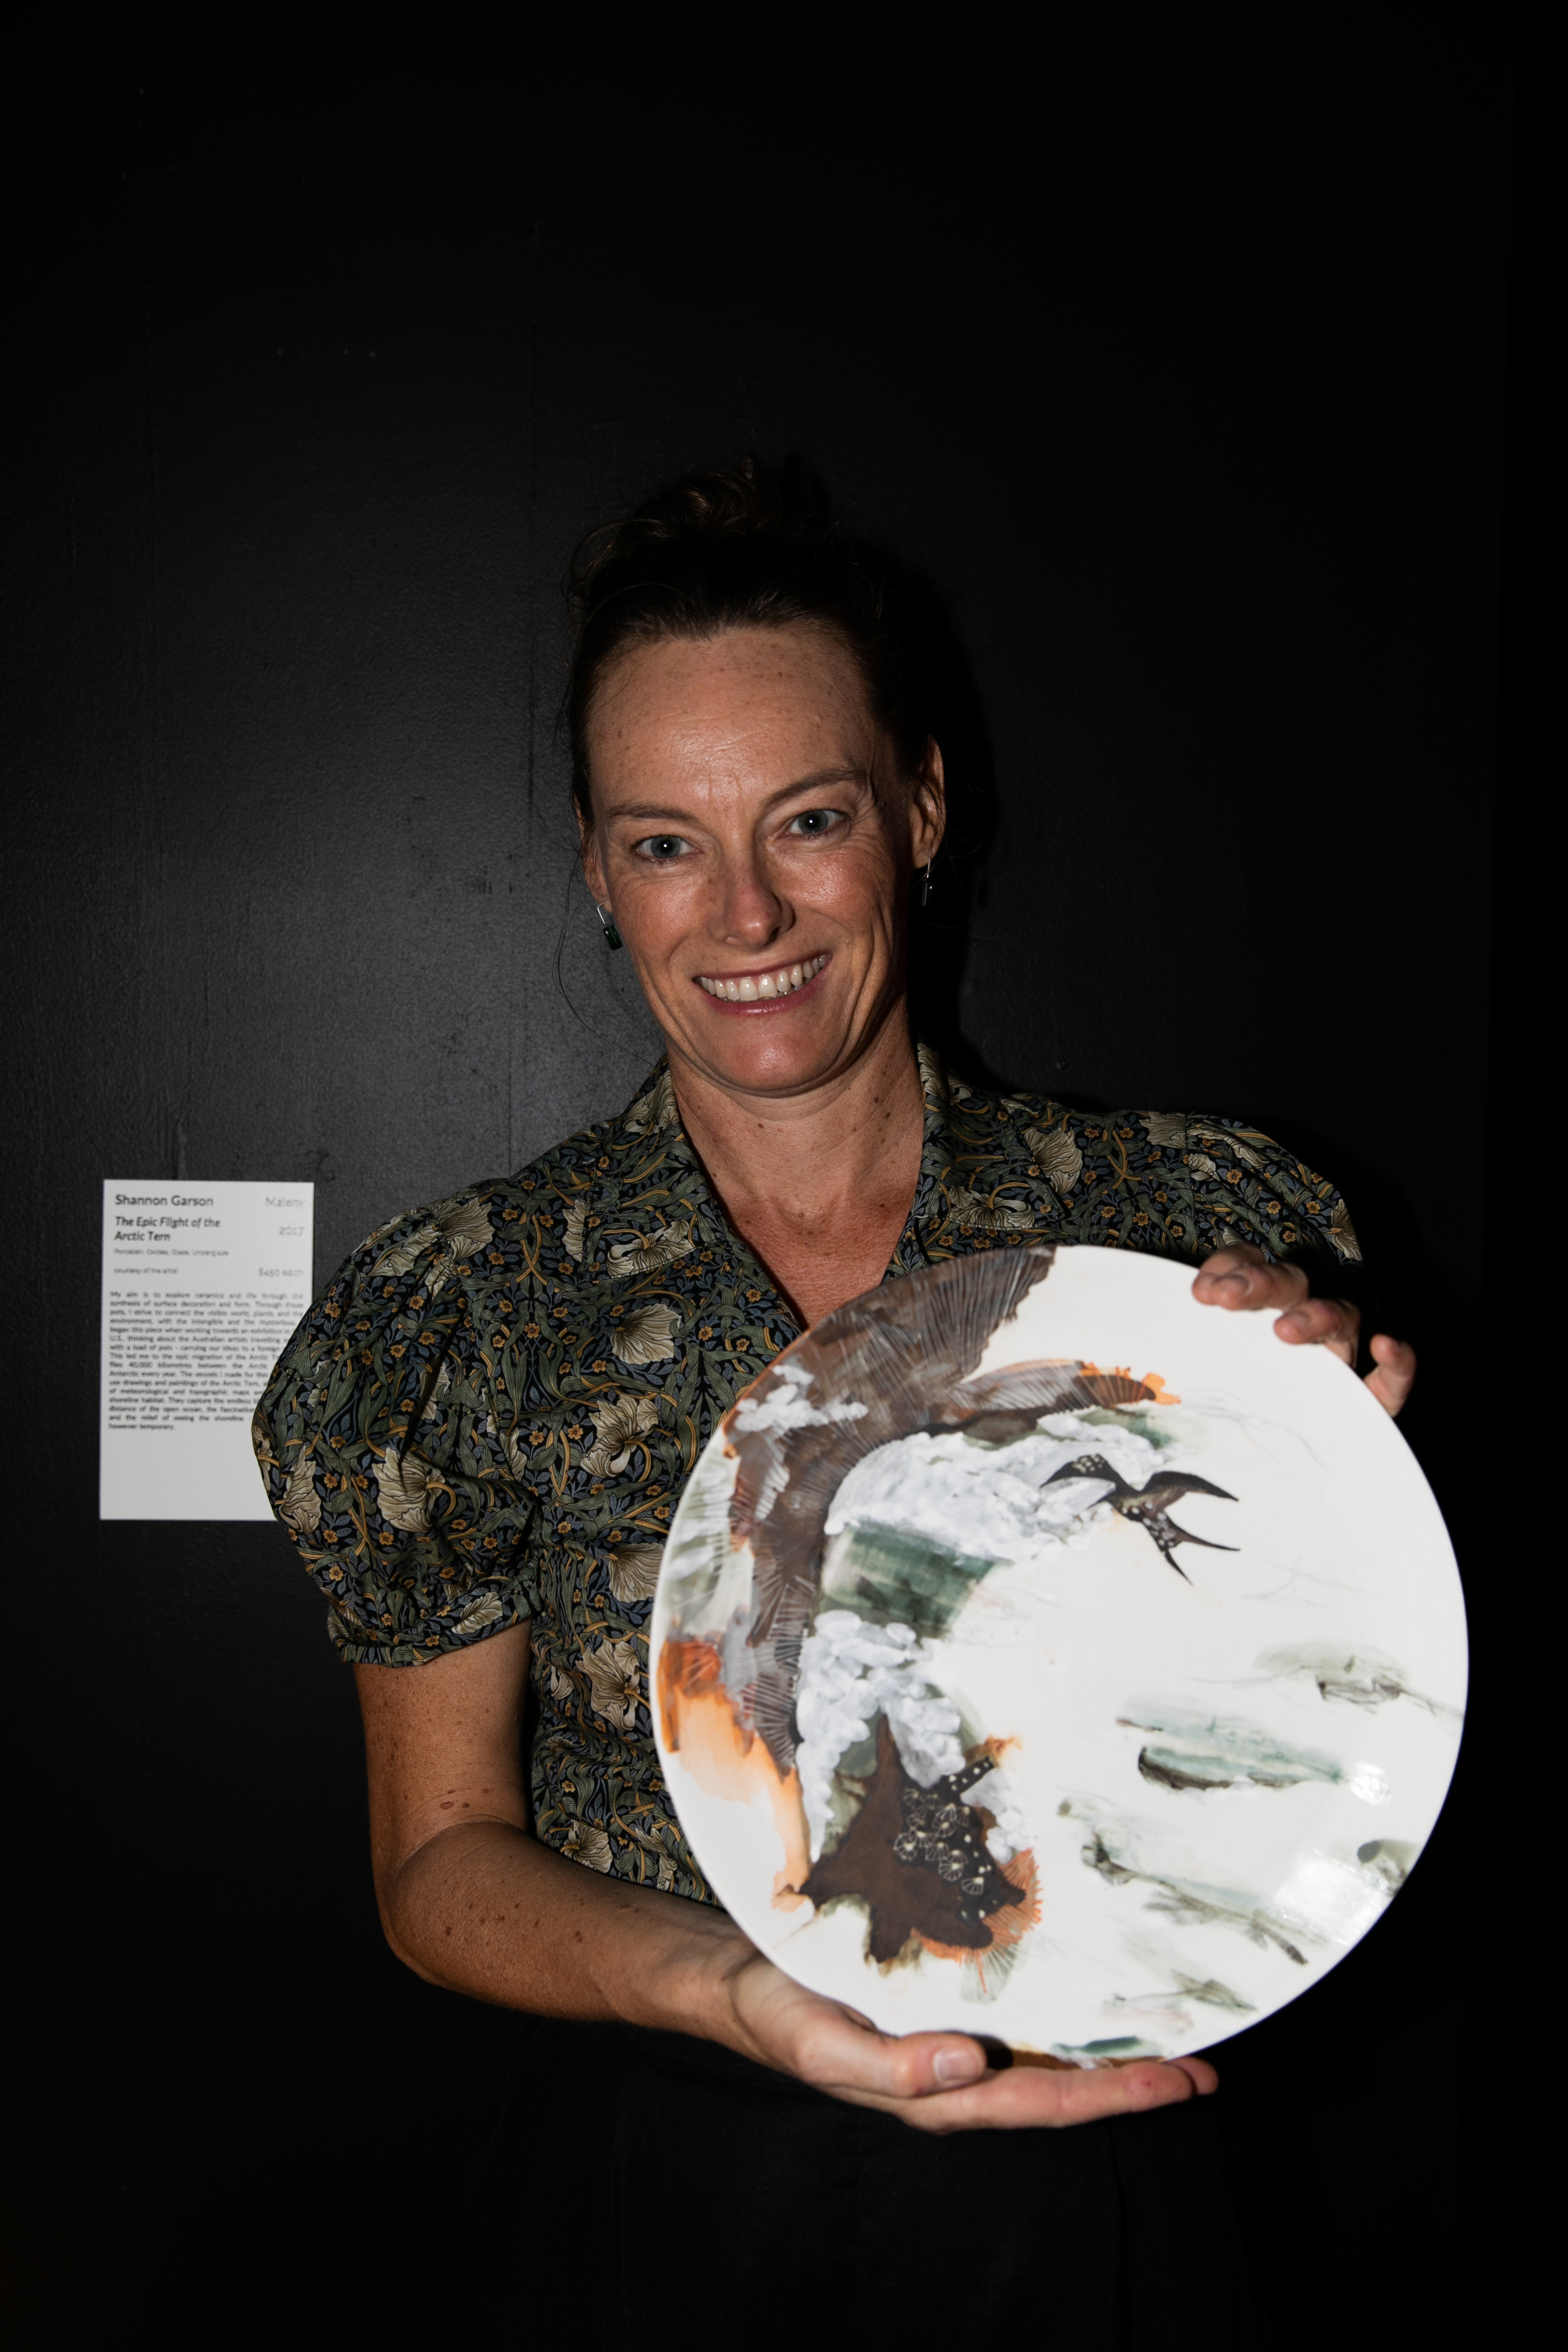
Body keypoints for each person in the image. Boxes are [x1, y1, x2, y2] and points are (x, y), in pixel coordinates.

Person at [254, 464, 1414, 2347]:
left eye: (809, 820)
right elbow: (437, 1865)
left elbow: (1318, 1715)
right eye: (665, 843)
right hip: (662, 2183)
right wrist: (732, 1990)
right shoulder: (458, 1314)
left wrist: (1324, 1452)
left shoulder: (1180, 1232)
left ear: (921, 808)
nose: (746, 913)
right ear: (593, 866)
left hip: (1101, 2175)